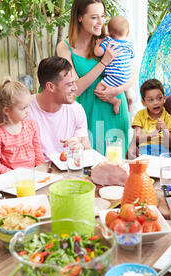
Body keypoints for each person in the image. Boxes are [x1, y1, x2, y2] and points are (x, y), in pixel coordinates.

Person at [56, 0, 135, 156]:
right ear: (79, 17)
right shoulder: (64, 47)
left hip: (114, 110)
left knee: (116, 168)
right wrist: (104, 62)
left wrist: (118, 90)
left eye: (102, 16)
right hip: (87, 112)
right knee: (89, 166)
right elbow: (75, 89)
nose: (100, 22)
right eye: (94, 17)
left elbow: (133, 74)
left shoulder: (110, 40)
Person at [28, 57, 91, 161]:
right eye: (70, 84)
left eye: (74, 82)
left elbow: (88, 150)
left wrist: (80, 148)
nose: (75, 88)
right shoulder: (25, 110)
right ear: (50, 87)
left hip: (69, 170)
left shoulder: (76, 110)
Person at [0, 79, 45, 175]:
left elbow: (38, 154)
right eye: (23, 108)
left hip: (32, 177)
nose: (28, 111)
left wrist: (40, 171)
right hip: (10, 181)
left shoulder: (31, 126)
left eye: (28, 106)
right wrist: (15, 176)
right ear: (6, 110)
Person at [93, 15, 135, 115]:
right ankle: (129, 98)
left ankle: (115, 101)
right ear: (128, 32)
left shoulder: (109, 42)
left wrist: (97, 44)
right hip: (126, 75)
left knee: (98, 90)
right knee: (125, 83)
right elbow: (132, 56)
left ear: (109, 32)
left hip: (114, 76)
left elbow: (98, 53)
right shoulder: (129, 45)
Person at [127, 79, 171, 158]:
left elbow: (170, 143)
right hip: (144, 149)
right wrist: (153, 134)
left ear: (164, 98)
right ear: (144, 103)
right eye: (150, 100)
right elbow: (136, 137)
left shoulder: (167, 117)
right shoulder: (140, 115)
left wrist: (164, 128)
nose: (156, 102)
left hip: (162, 150)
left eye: (159, 98)